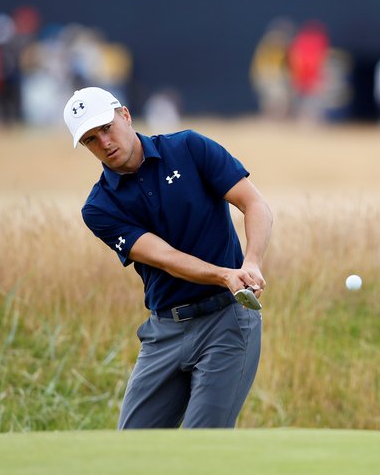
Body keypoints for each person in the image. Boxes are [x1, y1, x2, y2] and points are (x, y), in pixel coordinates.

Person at [63, 87, 273, 429]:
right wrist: (224, 274)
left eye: (106, 128)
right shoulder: (99, 207)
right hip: (164, 332)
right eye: (90, 140)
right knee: (134, 448)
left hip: (226, 322)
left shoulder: (189, 148)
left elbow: (255, 204)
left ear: (125, 116)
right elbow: (166, 257)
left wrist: (251, 262)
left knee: (201, 445)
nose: (104, 142)